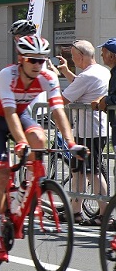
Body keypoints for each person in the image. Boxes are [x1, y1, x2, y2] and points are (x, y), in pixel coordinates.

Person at [0, 35, 84, 261]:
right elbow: (8, 114)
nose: (38, 65)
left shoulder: (47, 76)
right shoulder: (8, 75)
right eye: (32, 60)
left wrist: (71, 143)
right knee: (2, 174)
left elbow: (58, 111)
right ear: (21, 59)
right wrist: (20, 143)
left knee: (39, 138)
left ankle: (29, 183)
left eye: (42, 60)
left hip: (20, 114)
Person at [57, 40, 110, 222]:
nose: (72, 59)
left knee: (91, 172)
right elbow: (79, 85)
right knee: (78, 170)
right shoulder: (101, 71)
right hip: (94, 129)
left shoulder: (87, 76)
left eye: (72, 56)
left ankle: (104, 214)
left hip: (89, 131)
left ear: (81, 55)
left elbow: (63, 98)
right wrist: (65, 72)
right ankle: (75, 211)